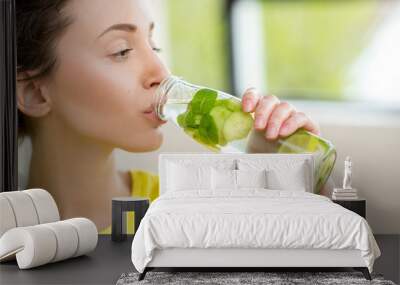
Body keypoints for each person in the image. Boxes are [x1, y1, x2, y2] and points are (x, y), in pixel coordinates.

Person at [16, 0, 321, 233]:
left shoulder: (183, 208)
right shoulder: (11, 235)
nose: (162, 73)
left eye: (153, 45)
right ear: (34, 94)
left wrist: (288, 178)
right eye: (122, 51)